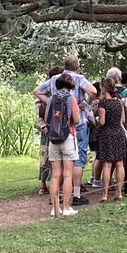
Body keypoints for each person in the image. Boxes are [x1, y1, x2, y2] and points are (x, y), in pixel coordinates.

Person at [34, 55, 97, 207]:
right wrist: (83, 104)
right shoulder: (79, 78)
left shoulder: (55, 78)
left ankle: (55, 199)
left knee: (56, 166)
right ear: (77, 66)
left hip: (55, 126)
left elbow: (37, 91)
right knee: (77, 159)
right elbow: (93, 91)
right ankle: (75, 194)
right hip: (77, 124)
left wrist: (50, 101)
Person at [45, 72, 82, 216]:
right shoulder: (71, 99)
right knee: (67, 175)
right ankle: (66, 207)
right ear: (70, 85)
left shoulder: (51, 99)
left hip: (53, 139)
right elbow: (77, 120)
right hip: (68, 137)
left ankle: (55, 208)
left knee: (55, 175)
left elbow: (47, 117)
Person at [96, 76, 127, 201]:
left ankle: (104, 194)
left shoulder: (103, 103)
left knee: (107, 165)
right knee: (120, 164)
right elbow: (123, 120)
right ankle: (119, 192)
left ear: (104, 88)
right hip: (119, 133)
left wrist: (97, 120)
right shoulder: (119, 101)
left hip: (107, 134)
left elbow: (102, 122)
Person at [37, 65, 61, 195]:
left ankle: (57, 182)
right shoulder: (43, 93)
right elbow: (38, 111)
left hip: (57, 128)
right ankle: (43, 183)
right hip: (47, 129)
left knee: (57, 156)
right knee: (44, 156)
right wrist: (44, 126)